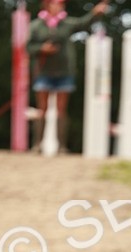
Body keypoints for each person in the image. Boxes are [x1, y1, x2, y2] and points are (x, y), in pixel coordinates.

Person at [26, 1, 109, 153]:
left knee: (61, 110)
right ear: (47, 5)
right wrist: (42, 48)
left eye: (61, 4)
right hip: (43, 72)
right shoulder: (36, 26)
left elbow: (83, 22)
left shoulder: (67, 23)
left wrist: (95, 13)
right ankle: (37, 145)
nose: (59, 6)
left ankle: (61, 146)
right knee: (42, 109)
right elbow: (28, 46)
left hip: (64, 72)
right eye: (56, 3)